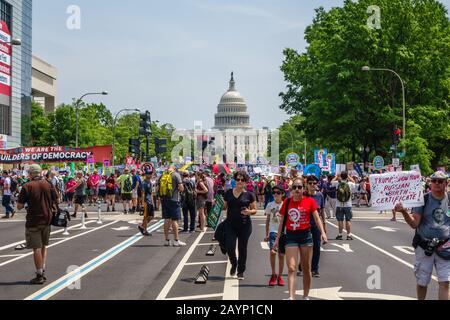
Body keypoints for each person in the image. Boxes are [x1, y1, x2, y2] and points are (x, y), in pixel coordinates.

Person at [394, 171, 450, 300]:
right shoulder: (422, 199)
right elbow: (414, 224)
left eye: (440, 181)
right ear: (430, 183)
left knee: (446, 282)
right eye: (434, 180)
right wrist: (403, 212)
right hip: (424, 247)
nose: (436, 183)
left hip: (446, 247)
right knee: (422, 283)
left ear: (446, 183)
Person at [272, 178, 328, 300]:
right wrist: (277, 239)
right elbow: (282, 221)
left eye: (299, 187)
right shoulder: (287, 202)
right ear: (291, 190)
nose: (297, 190)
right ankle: (291, 296)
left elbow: (317, 219)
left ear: (303, 188)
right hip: (291, 235)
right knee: (292, 267)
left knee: (306, 267)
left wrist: (323, 233)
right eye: (294, 187)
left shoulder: (310, 201)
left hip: (305, 236)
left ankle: (305, 295)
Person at [17, 164, 57, 284]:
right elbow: (57, 200)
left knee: (36, 248)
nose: (28, 175)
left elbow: (19, 206)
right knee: (44, 245)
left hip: (34, 220)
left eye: (29, 173)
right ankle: (43, 268)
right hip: (47, 219)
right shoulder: (49, 184)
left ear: (31, 174)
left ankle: (39, 274)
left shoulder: (27, 186)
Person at [222, 171, 257, 280]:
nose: (240, 181)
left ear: (246, 182)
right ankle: (234, 263)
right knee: (230, 246)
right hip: (230, 224)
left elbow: (254, 210)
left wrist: (249, 212)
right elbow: (224, 207)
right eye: (238, 179)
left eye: (242, 180)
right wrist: (216, 203)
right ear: (235, 181)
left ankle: (241, 271)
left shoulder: (249, 195)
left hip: (244, 225)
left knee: (242, 248)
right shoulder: (228, 193)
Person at [157, 165, 186, 247]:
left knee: (166, 219)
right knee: (175, 220)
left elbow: (157, 189)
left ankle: (166, 240)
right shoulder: (176, 175)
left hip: (164, 200)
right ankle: (176, 240)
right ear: (174, 169)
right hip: (174, 200)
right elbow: (181, 188)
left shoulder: (162, 175)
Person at [304, 175, 326, 278]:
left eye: (314, 183)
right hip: (304, 225)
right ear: (306, 184)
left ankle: (314, 269)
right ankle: (302, 264)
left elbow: (321, 212)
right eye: (310, 183)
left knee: (317, 247)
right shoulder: (303, 195)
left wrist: (324, 228)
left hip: (316, 225)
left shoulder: (320, 195)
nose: (312, 185)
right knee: (305, 247)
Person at [264, 184, 286, 286]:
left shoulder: (285, 204)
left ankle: (280, 276)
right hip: (273, 231)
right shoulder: (270, 205)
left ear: (282, 194)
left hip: (284, 233)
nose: (276, 195)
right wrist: (267, 234)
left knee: (281, 255)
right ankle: (273, 274)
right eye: (274, 193)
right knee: (273, 252)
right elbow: (268, 220)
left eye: (278, 193)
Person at [332, 172, 357, 240]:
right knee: (348, 220)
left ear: (341, 176)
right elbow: (354, 182)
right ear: (346, 177)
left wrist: (336, 176)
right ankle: (348, 235)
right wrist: (349, 177)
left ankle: (340, 234)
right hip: (348, 204)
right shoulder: (349, 184)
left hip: (339, 204)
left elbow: (331, 182)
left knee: (340, 220)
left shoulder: (338, 183)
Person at [138, 170, 155, 236]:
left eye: (151, 174)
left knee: (151, 216)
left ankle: (142, 226)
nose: (150, 175)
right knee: (146, 216)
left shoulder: (150, 182)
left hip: (150, 202)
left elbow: (151, 193)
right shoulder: (143, 183)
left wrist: (152, 202)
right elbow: (143, 194)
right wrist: (142, 204)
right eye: (149, 174)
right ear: (146, 174)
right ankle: (144, 230)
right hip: (145, 202)